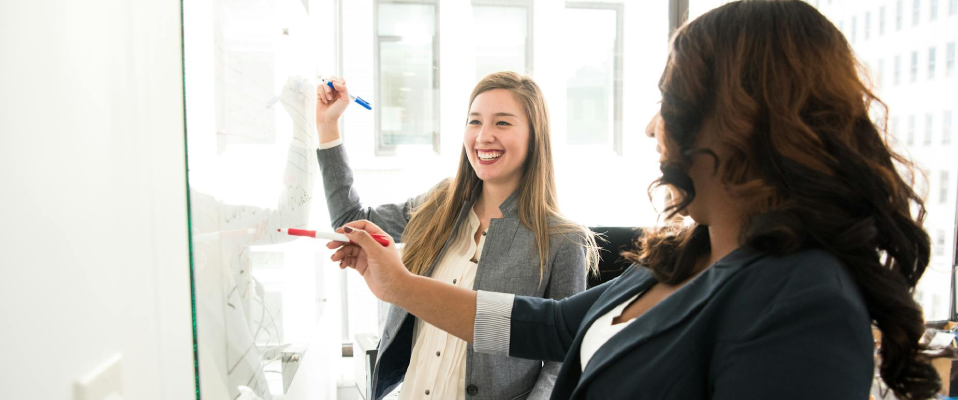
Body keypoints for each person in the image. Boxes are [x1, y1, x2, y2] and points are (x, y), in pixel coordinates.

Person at [327, 1, 946, 399]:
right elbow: (554, 325)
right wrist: (397, 285)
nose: (653, 127)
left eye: (667, 99)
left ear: (738, 120)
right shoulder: (682, 256)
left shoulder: (801, 298)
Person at [314, 71, 599, 400]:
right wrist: (327, 126)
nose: (483, 136)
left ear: (535, 136)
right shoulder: (440, 205)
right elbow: (352, 222)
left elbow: (562, 356)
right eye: (475, 121)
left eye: (502, 123)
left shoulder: (562, 240)